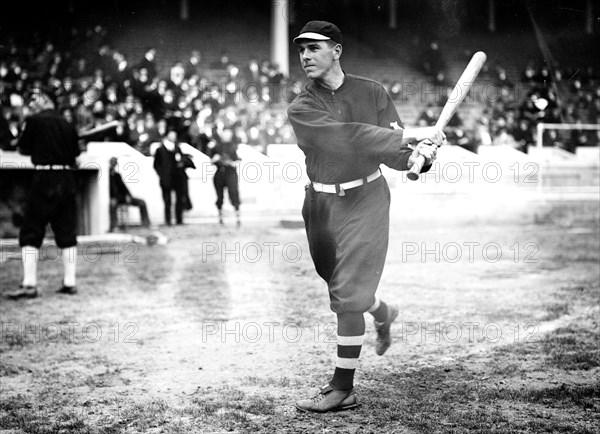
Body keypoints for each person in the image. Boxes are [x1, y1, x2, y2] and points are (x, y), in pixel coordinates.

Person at [287, 21, 445, 413]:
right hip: (321, 207)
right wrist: (412, 135)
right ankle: (383, 311)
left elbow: (393, 155)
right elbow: (348, 137)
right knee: (341, 287)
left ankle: (342, 389)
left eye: (314, 47)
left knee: (347, 295)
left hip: (367, 200)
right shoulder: (302, 107)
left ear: (336, 50)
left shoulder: (372, 92)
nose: (305, 55)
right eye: (301, 49)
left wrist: (419, 156)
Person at [5, 93, 81, 299]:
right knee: (67, 231)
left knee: (31, 230)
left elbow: (23, 148)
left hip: (45, 177)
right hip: (66, 178)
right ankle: (70, 282)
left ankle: (29, 284)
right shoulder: (67, 123)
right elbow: (75, 153)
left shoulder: (34, 121)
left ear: (38, 106)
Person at [153, 129, 188, 225]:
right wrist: (162, 175)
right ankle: (168, 220)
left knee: (179, 200)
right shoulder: (160, 150)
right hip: (166, 179)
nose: (173, 137)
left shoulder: (177, 148)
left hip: (177, 178)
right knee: (167, 200)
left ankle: (179, 220)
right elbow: (156, 165)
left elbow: (180, 160)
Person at [209, 126, 241, 226]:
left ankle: (237, 215)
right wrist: (215, 159)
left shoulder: (235, 146)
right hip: (220, 172)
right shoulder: (216, 146)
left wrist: (232, 163)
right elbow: (211, 160)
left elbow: (239, 160)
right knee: (219, 196)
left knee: (233, 193)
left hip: (231, 172)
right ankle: (220, 216)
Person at [109, 156, 151, 231]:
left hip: (122, 197)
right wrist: (112, 197)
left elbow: (124, 187)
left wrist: (128, 196)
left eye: (115, 163)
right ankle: (114, 226)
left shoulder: (117, 175)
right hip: (114, 198)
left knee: (142, 202)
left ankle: (146, 224)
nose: (113, 165)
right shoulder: (106, 176)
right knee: (112, 205)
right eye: (112, 163)